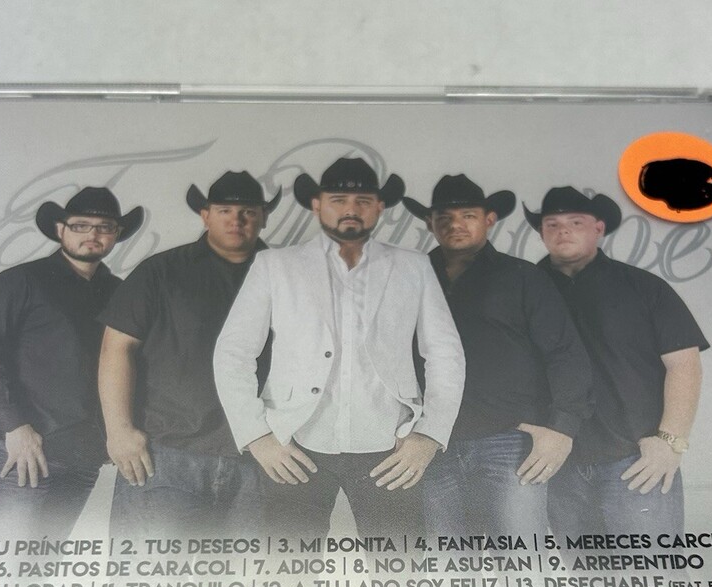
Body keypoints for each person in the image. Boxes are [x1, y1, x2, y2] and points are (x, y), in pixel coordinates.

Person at [213, 157, 464, 539]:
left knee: (398, 567)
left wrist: (429, 436)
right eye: (338, 200)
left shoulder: (413, 267)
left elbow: (445, 354)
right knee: (289, 569)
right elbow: (234, 352)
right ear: (316, 205)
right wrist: (257, 437)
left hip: (390, 444)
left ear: (379, 207)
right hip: (294, 441)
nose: (351, 209)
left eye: (363, 201)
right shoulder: (275, 265)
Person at [402, 174, 592, 540]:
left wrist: (562, 428)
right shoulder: (410, 278)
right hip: (434, 442)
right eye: (444, 217)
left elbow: (565, 353)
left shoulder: (523, 277)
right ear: (429, 222)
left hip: (509, 440)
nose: (456, 224)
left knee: (520, 559)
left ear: (489, 219)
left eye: (468, 215)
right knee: (448, 563)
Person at [98, 171, 277, 539]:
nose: (236, 220)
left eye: (247, 211)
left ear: (263, 216)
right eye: (224, 210)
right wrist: (119, 431)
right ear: (205, 215)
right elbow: (116, 347)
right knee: (150, 574)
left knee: (246, 577)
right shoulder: (161, 271)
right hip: (167, 454)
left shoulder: (289, 275)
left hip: (259, 459)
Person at [0, 186, 142, 545]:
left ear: (117, 234)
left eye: (104, 227)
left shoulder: (120, 293)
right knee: (4, 569)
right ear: (61, 229)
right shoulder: (20, 282)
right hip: (24, 451)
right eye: (81, 225)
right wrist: (15, 426)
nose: (92, 234)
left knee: (42, 570)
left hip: (83, 457)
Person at [526, 186, 709, 536]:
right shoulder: (524, 291)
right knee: (584, 570)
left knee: (652, 570)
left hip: (636, 461)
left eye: (575, 222)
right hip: (557, 464)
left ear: (598, 228)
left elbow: (684, 364)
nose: (563, 231)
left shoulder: (644, 287)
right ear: (541, 233)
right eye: (552, 224)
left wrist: (670, 442)